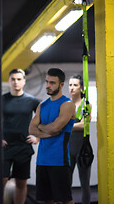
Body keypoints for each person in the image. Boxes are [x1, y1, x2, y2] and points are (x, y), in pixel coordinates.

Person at [0, 69, 40, 204]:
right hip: (4, 147)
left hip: (23, 147)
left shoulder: (32, 101)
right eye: (13, 79)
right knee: (0, 182)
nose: (16, 82)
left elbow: (44, 119)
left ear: (24, 81)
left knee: (21, 183)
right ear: (9, 81)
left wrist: (38, 137)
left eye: (19, 79)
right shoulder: (0, 99)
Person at [29, 68, 76, 204]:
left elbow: (56, 127)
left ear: (61, 84)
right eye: (47, 82)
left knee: (66, 200)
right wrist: (47, 131)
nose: (48, 85)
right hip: (42, 161)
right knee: (47, 200)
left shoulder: (67, 105)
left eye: (52, 83)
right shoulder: (42, 105)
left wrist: (41, 127)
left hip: (59, 161)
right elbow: (31, 129)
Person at [68, 75, 92, 204]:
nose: (72, 88)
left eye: (75, 85)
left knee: (85, 183)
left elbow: (84, 125)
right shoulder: (65, 104)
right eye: (70, 85)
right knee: (65, 183)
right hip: (68, 148)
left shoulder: (86, 104)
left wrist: (66, 126)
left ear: (81, 88)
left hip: (83, 149)